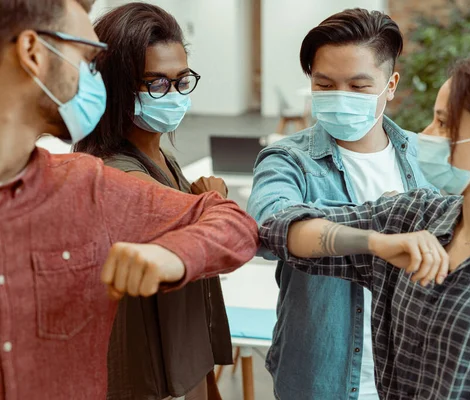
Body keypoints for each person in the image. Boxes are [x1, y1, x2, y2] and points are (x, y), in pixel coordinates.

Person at [258, 54, 470, 399]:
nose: (425, 135)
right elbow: (279, 229)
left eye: (443, 124)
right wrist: (375, 242)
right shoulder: (412, 217)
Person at [0, 1, 259, 399]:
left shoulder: (87, 181)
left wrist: (177, 250)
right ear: (33, 53)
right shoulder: (106, 175)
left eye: (181, 80)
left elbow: (234, 227)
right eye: (87, 59)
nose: (92, 78)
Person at [247, 8, 434, 399]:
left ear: (391, 84)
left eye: (359, 86)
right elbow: (270, 227)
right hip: (321, 379)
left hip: (413, 376)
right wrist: (376, 231)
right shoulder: (287, 159)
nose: (340, 98)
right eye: (325, 84)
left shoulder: (424, 157)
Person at [74, 4, 229, 399]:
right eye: (155, 84)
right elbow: (213, 235)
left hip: (185, 351)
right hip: (151, 372)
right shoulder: (116, 172)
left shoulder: (161, 155)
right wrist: (213, 204)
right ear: (116, 85)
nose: (173, 94)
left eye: (181, 81)